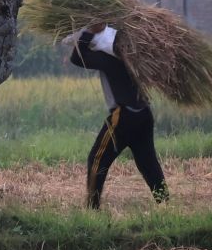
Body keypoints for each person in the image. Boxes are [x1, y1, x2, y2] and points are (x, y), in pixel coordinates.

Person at [70, 24, 169, 209]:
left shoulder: (109, 58)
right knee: (148, 162)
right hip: (144, 115)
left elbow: (76, 57)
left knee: (96, 159)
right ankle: (165, 203)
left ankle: (92, 208)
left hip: (123, 117)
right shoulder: (134, 58)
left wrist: (89, 33)